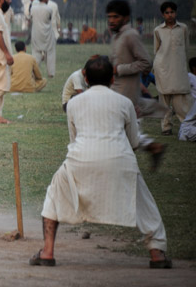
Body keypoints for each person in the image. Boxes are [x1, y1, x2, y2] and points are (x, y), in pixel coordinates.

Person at [29, 56, 172, 269]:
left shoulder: (73, 103)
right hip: (120, 159)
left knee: (53, 197)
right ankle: (157, 254)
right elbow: (133, 141)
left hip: (80, 159)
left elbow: (74, 139)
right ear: (112, 78)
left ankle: (47, 252)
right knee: (144, 204)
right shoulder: (124, 102)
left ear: (85, 77)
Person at [108, 0, 167, 170]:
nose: (111, 20)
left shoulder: (131, 35)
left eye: (115, 17)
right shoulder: (117, 36)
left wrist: (119, 69)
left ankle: (130, 164)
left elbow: (145, 63)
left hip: (127, 94)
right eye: (109, 17)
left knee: (121, 133)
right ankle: (152, 147)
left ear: (125, 18)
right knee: (121, 132)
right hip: (117, 91)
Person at [153, 1, 194, 135]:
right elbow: (157, 50)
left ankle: (186, 125)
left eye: (172, 12)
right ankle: (166, 127)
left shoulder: (183, 28)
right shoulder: (158, 30)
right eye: (167, 13)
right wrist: (158, 67)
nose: (170, 15)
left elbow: (185, 49)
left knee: (181, 99)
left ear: (175, 13)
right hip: (163, 68)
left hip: (178, 68)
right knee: (164, 99)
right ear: (163, 14)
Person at [30, 0, 56, 78]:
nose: (48, 0)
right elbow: (49, 19)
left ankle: (33, 72)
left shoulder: (33, 8)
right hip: (47, 33)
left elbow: (31, 18)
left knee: (36, 53)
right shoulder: (49, 9)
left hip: (36, 33)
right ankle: (50, 72)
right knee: (50, 53)